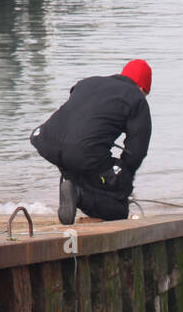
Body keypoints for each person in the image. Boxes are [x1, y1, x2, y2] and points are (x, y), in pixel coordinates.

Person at [30, 60, 153, 224]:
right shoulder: (137, 99)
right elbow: (136, 153)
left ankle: (70, 183)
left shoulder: (88, 82)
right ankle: (79, 195)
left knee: (81, 166)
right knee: (120, 204)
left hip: (45, 140)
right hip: (82, 152)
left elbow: (80, 114)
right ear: (142, 88)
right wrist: (119, 180)